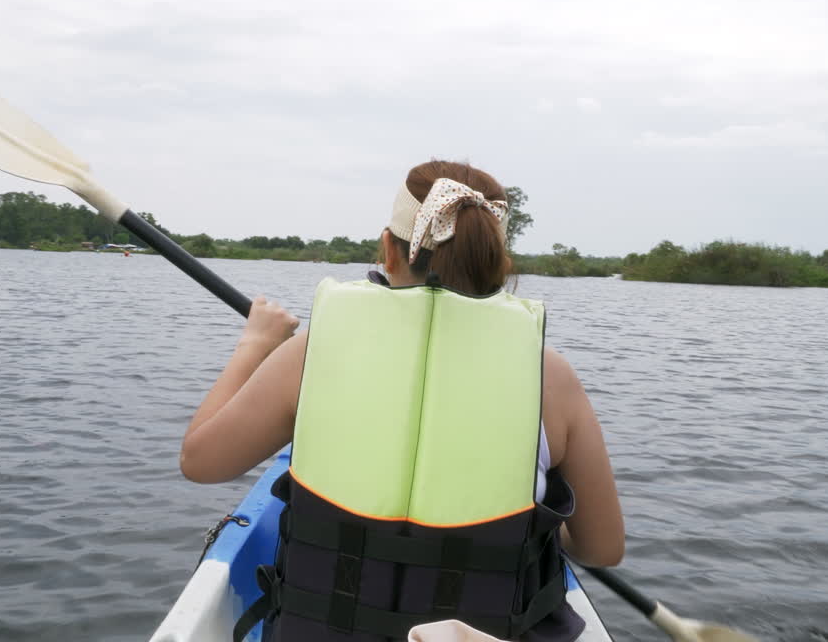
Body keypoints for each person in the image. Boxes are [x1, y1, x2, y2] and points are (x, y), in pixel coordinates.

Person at [181, 160, 624, 641]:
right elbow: (601, 548)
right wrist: (530, 532)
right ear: (498, 264)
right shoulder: (551, 376)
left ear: (388, 251)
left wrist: (254, 345)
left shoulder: (312, 351)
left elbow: (201, 462)